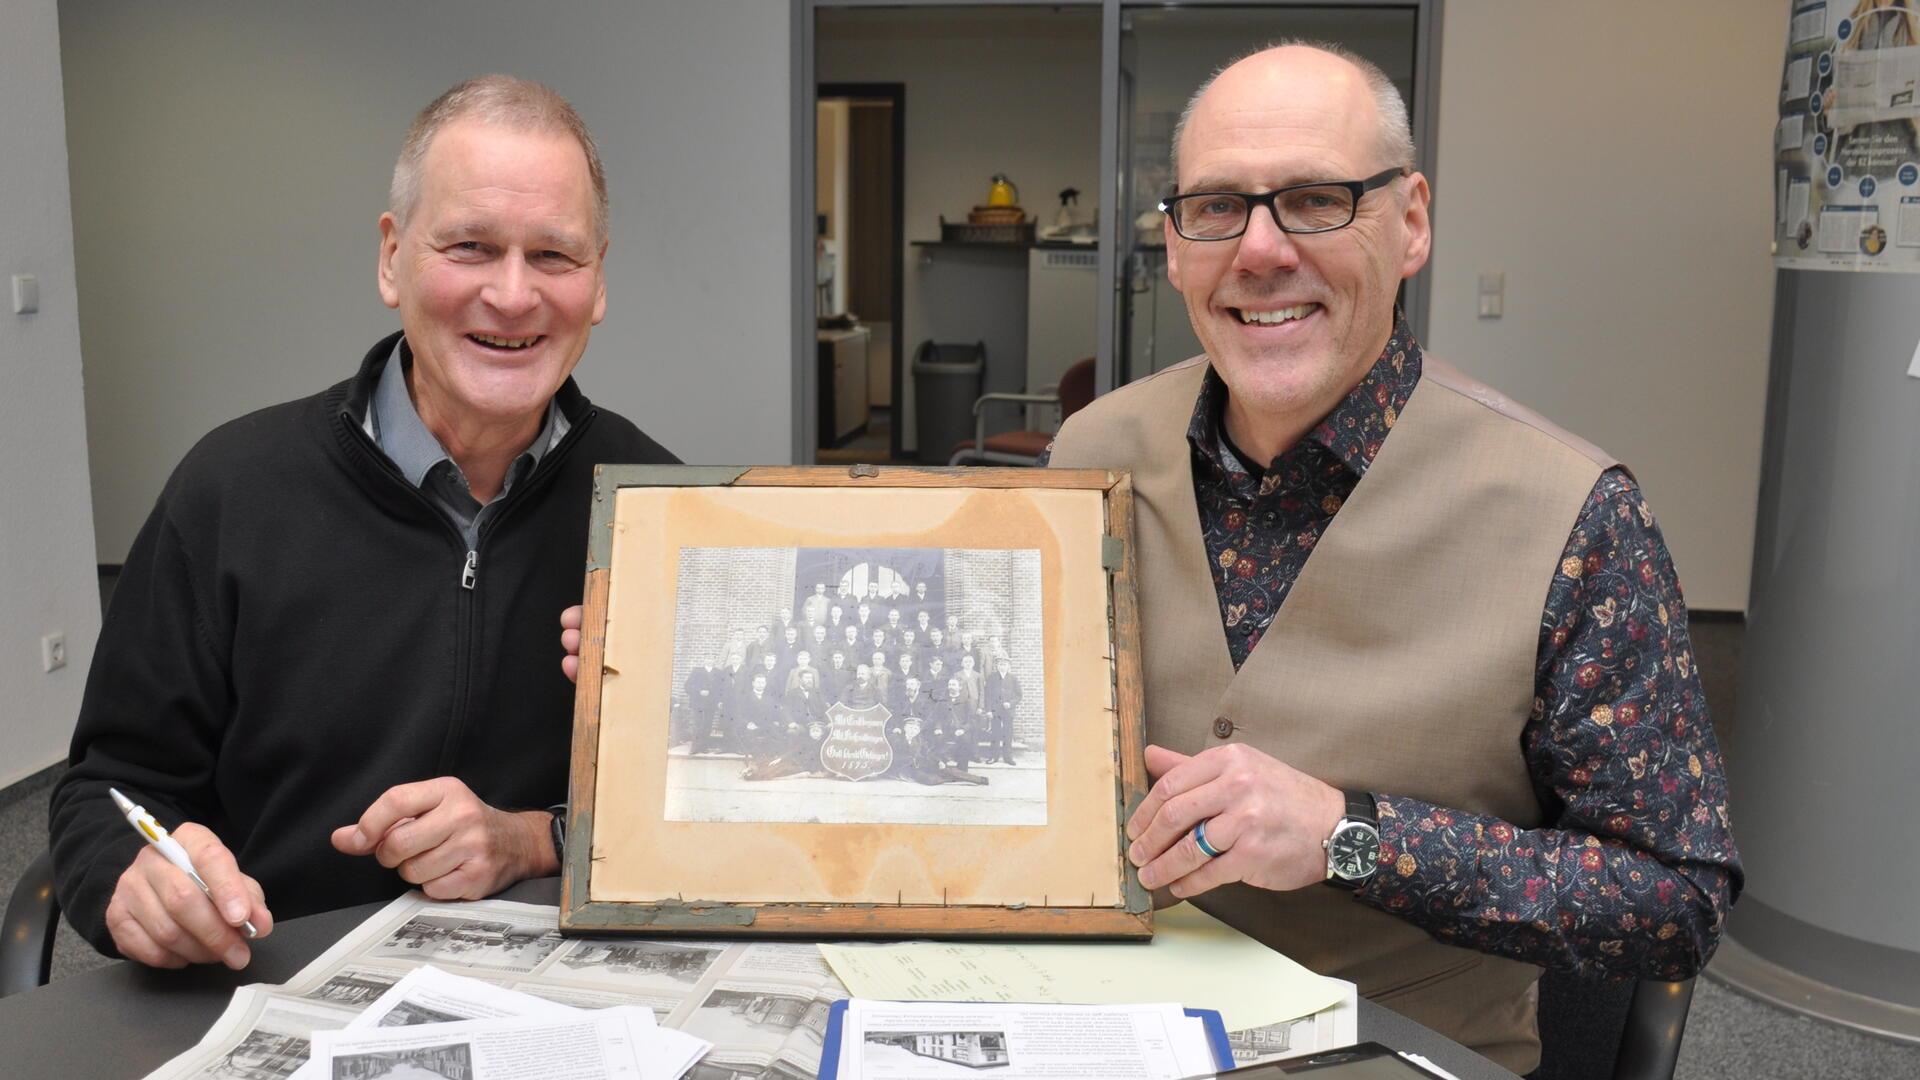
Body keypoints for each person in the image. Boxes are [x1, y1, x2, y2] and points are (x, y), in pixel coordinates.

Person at [1042, 43, 1740, 1071]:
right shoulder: (1086, 456)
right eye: (1217, 207)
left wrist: (1348, 834)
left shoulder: (1576, 519)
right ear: (1177, 244)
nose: (1261, 250)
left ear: (1410, 222)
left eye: (1317, 201)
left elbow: (1672, 903)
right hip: (1091, 1015)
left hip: (1391, 1050)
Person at [50, 75, 676, 970]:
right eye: (469, 246)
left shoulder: (656, 503)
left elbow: (705, 811)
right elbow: (107, 791)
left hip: (568, 996)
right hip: (275, 981)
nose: (512, 295)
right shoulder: (231, 491)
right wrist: (132, 879)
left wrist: (534, 839)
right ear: (392, 260)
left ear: (598, 280)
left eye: (553, 256)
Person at [983, 657, 1022, 766]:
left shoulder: (1013, 678)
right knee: (995, 733)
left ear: (1008, 666)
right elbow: (988, 695)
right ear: (997, 666)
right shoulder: (992, 677)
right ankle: (993, 757)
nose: (1002, 666)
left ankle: (1008, 757)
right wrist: (989, 710)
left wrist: (1010, 703)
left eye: (1004, 664)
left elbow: (1019, 695)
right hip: (995, 710)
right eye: (1000, 664)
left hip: (1008, 711)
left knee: (1007, 733)